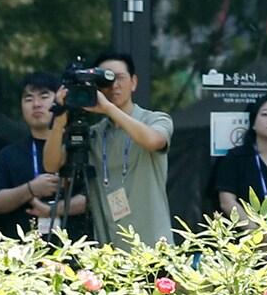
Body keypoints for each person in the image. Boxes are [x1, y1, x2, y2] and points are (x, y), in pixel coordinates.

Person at [43, 52, 174, 248]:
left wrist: (107, 108)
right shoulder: (95, 133)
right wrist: (60, 118)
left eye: (119, 77)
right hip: (110, 251)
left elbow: (153, 141)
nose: (114, 85)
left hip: (154, 247)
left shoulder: (155, 119)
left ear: (134, 82)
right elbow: (51, 164)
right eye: (106, 79)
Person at [0, 72, 88, 240]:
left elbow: (95, 198)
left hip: (75, 253)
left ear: (60, 100)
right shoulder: (9, 154)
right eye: (28, 99)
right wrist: (30, 189)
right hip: (24, 256)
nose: (36, 104)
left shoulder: (78, 147)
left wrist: (54, 210)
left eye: (44, 96)